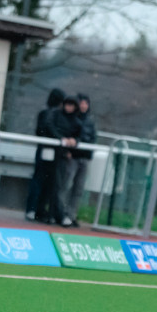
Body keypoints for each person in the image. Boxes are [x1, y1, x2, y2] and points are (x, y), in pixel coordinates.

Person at [25, 88, 64, 222]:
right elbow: (46, 128)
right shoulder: (54, 114)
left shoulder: (44, 113)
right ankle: (36, 209)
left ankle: (35, 209)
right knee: (44, 180)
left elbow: (39, 130)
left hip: (44, 149)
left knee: (42, 180)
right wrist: (60, 139)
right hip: (49, 150)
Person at [61, 93, 97, 226]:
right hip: (73, 157)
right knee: (67, 184)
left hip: (84, 157)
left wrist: (90, 153)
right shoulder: (73, 119)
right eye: (82, 103)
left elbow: (93, 137)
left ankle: (72, 215)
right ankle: (62, 213)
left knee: (79, 188)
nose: (84, 105)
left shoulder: (90, 121)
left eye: (86, 103)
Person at [46, 95, 81, 225]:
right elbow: (50, 127)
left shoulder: (76, 122)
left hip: (64, 157)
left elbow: (80, 135)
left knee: (61, 185)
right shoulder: (56, 115)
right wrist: (61, 139)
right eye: (67, 104)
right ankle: (53, 214)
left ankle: (58, 214)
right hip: (52, 154)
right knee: (53, 185)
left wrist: (74, 142)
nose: (69, 107)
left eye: (72, 105)